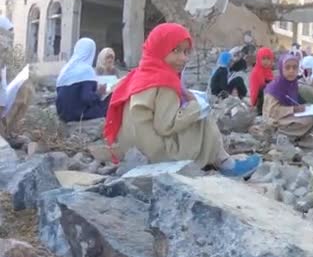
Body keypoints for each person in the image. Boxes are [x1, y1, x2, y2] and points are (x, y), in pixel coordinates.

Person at [104, 23, 260, 178]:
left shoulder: (140, 74)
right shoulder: (164, 80)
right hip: (157, 154)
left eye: (186, 52)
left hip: (134, 149)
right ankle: (225, 163)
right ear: (159, 48)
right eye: (175, 51)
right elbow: (166, 125)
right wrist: (195, 105)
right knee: (203, 117)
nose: (183, 58)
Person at [263, 54, 313, 141]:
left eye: (295, 67)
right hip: (274, 120)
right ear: (281, 68)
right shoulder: (275, 87)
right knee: (308, 120)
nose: (291, 71)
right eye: (287, 67)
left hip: (287, 116)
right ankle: (280, 134)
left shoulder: (293, 84)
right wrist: (294, 109)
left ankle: (296, 135)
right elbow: (272, 111)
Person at [56, 38, 109, 122]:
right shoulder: (87, 70)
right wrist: (99, 93)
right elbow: (86, 98)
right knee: (111, 101)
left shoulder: (65, 69)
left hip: (63, 114)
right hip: (79, 114)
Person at [249, 47, 275, 115]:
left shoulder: (269, 71)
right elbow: (254, 90)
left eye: (268, 58)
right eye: (263, 58)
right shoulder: (256, 72)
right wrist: (253, 104)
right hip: (261, 104)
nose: (266, 61)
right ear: (259, 59)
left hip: (270, 103)